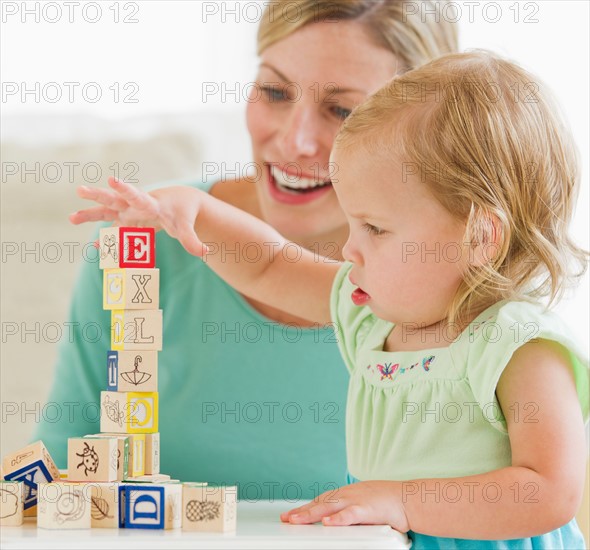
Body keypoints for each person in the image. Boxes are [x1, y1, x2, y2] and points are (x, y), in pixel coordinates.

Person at [72, 50, 589, 547]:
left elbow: (550, 490)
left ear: (480, 238)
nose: (349, 248)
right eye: (352, 221)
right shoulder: (366, 316)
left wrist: (401, 501)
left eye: (375, 228)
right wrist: (194, 209)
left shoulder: (516, 345)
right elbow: (270, 263)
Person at [34, 1, 459, 499]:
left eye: (344, 111)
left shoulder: (448, 274)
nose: (294, 140)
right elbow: (66, 458)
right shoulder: (145, 241)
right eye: (275, 91)